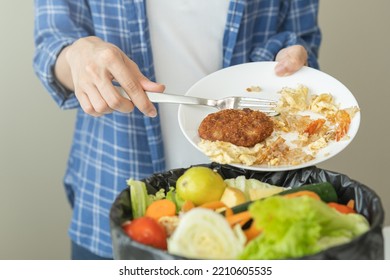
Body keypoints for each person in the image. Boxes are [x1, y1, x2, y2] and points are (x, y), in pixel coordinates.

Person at [33, 0, 321, 259]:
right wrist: (77, 56)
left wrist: (291, 62)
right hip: (115, 191)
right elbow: (52, 45)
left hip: (252, 201)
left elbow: (302, 41)